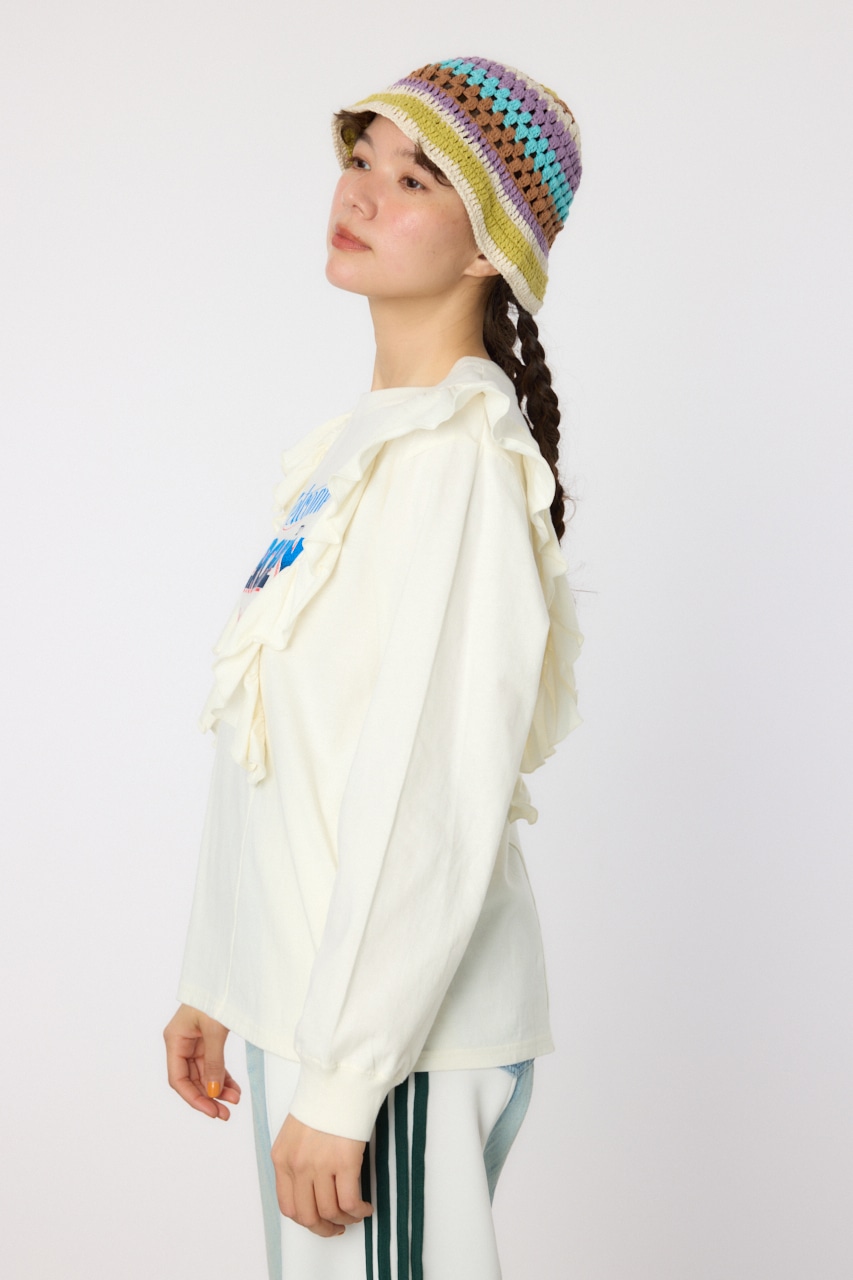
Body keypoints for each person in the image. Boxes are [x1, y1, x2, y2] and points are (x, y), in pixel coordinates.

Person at [163, 55, 585, 1280]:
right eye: (360, 159)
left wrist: (347, 1081)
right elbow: (282, 746)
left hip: (395, 1044)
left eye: (414, 178)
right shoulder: (355, 452)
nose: (359, 191)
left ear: (487, 248)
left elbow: (428, 792)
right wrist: (221, 972)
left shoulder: (458, 457)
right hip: (315, 1015)